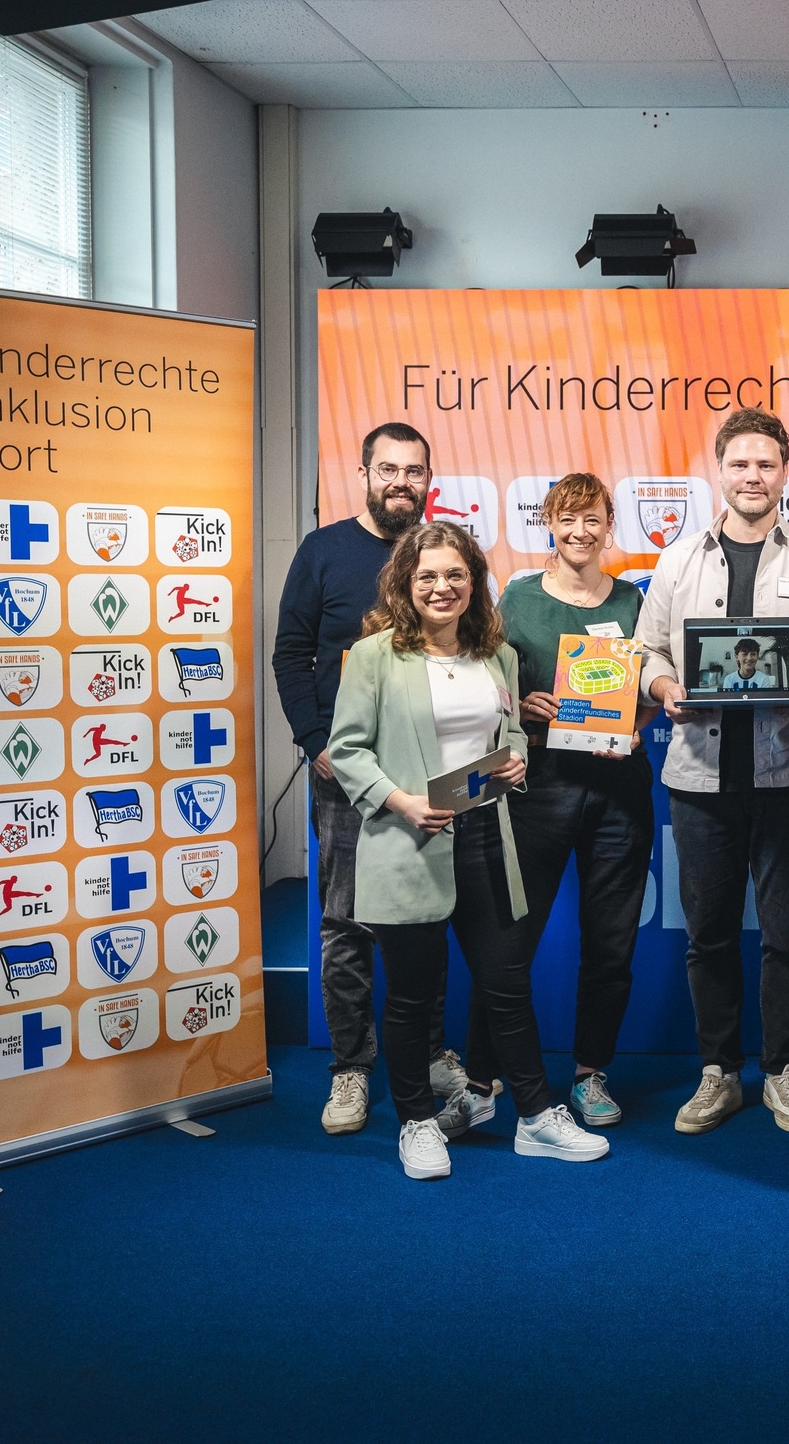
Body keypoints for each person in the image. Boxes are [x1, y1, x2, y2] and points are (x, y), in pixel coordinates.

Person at [326, 520, 610, 1179]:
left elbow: (509, 730)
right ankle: (418, 1124)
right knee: (411, 999)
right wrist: (401, 801)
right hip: (409, 838)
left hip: (486, 835)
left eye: (455, 574)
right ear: (405, 582)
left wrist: (513, 758)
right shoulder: (372, 656)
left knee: (507, 986)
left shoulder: (496, 654)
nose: (442, 586)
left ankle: (537, 1118)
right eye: (427, 575)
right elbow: (345, 750)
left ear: (472, 581)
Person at [637, 408, 789, 1135]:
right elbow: (647, 654)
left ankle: (783, 1068)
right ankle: (718, 1070)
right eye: (740, 464)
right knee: (708, 933)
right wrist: (663, 689)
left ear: (785, 473)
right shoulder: (678, 559)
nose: (752, 476)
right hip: (698, 774)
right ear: (719, 471)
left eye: (766, 464)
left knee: (788, 932)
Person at [273, 421, 463, 1135]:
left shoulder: (441, 555)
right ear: (364, 473)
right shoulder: (323, 550)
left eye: (413, 471)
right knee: (347, 923)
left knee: (424, 915)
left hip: (429, 773)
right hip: (344, 773)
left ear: (428, 479)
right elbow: (291, 654)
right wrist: (316, 742)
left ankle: (435, 1051)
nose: (401, 482)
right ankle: (351, 1066)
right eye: (389, 469)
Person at [493, 473, 656, 1129]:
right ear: (549, 523)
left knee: (611, 943)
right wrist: (524, 707)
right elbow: (491, 684)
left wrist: (637, 730)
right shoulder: (517, 596)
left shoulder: (633, 601)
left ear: (608, 524)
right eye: (568, 518)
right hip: (540, 786)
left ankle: (592, 1073)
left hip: (618, 790)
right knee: (513, 938)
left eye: (592, 519)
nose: (581, 531)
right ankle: (497, 1071)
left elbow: (650, 689)